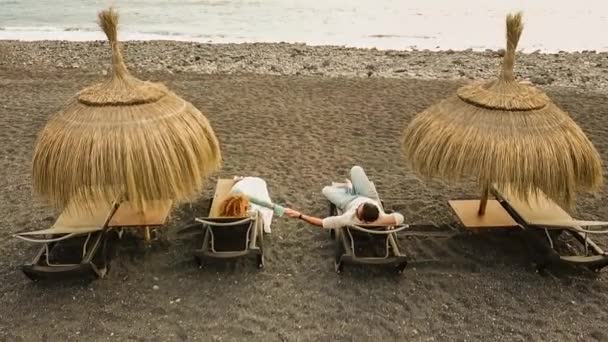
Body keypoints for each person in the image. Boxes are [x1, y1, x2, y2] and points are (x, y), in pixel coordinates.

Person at [284, 166, 404, 229]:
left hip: (348, 201)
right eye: (360, 206)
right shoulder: (381, 217)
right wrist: (383, 220)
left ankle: (349, 188)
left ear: (362, 220)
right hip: (369, 197)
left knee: (326, 190)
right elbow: (400, 218)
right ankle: (351, 188)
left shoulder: (347, 218)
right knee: (355, 169)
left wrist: (300, 215)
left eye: (358, 210)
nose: (358, 207)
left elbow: (321, 223)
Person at [218, 176, 285, 233]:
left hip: (224, 234)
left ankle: (242, 179)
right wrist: (278, 208)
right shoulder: (248, 215)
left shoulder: (224, 211)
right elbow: (260, 201)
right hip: (254, 184)